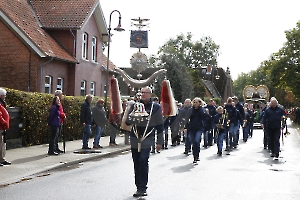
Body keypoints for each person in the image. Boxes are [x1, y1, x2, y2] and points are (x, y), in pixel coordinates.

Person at [126, 86, 164, 197]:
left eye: (146, 92)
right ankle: (138, 187)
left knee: (143, 160)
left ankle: (143, 187)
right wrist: (134, 116)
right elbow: (128, 122)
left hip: (147, 137)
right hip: (135, 136)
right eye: (142, 92)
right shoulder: (135, 105)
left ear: (150, 94)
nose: (143, 94)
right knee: (137, 162)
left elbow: (160, 125)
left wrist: (159, 142)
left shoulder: (156, 107)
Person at [184, 97, 205, 163]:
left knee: (196, 141)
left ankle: (197, 155)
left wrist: (200, 108)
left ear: (199, 103)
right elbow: (187, 119)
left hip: (199, 128)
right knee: (193, 142)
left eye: (197, 102)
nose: (195, 104)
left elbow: (204, 116)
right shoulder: (190, 110)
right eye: (194, 102)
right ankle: (194, 156)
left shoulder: (202, 110)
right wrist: (185, 127)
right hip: (191, 128)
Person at [0, 88, 11, 166]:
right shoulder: (1, 104)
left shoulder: (3, 103)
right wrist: (4, 122)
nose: (5, 96)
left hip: (2, 127)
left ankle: (2, 159)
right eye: (4, 95)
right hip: (1, 126)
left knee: (3, 143)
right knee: (1, 143)